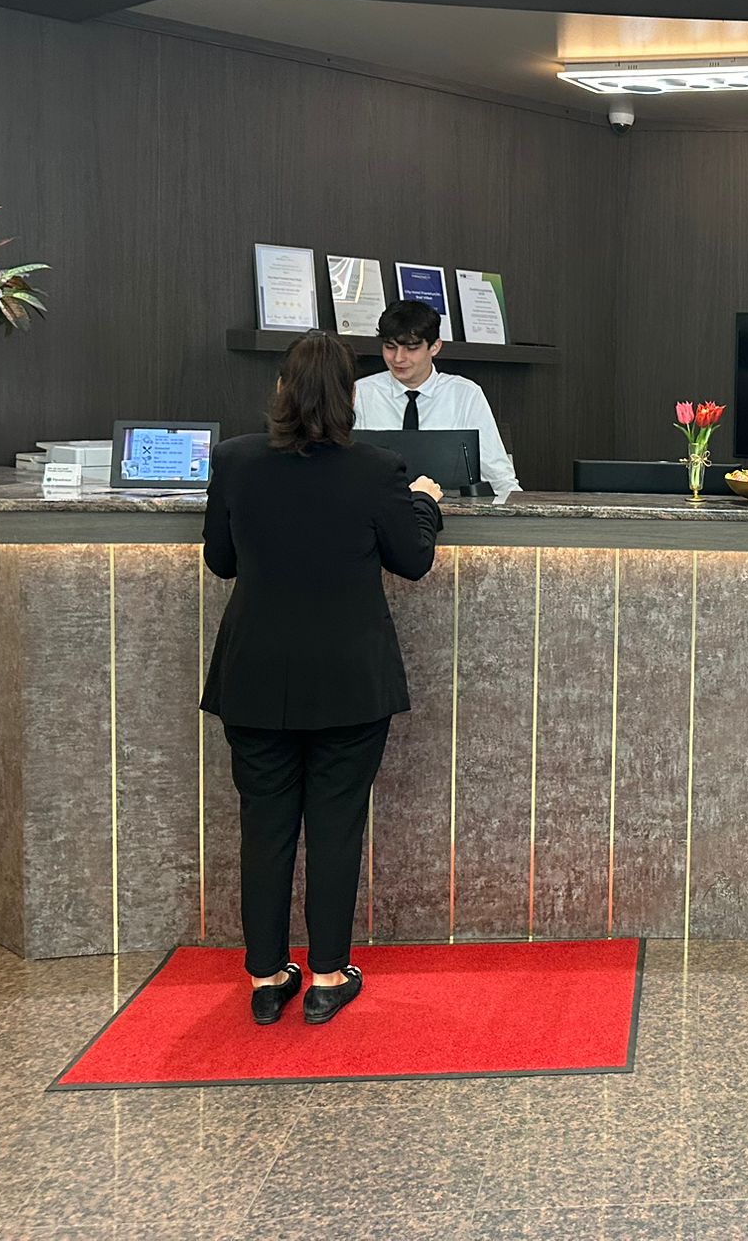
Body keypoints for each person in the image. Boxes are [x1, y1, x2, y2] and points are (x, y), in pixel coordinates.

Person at [201, 331, 446, 1026]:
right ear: (349, 399)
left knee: (265, 825)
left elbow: (221, 560)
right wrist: (425, 502)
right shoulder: (377, 469)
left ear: (281, 389)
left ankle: (265, 976)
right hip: (348, 681)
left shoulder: (235, 460)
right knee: (336, 825)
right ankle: (328, 976)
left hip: (255, 676)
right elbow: (413, 560)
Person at [353, 299, 521, 498]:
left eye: (411, 348)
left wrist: (520, 511)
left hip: (450, 510)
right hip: (377, 506)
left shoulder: (465, 394)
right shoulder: (361, 393)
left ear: (435, 347)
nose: (398, 358)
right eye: (390, 347)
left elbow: (498, 475)